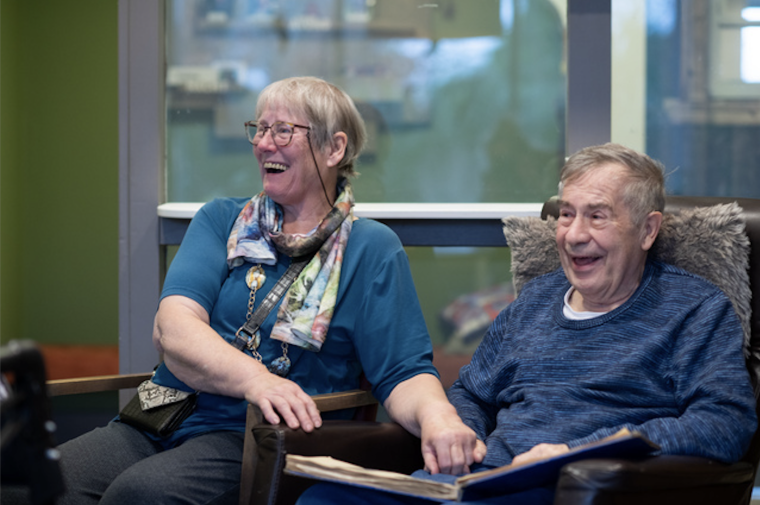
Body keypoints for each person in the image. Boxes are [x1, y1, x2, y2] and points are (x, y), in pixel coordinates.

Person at [6, 77, 479, 505]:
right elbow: (173, 328)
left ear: (334, 148)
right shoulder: (222, 220)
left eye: (283, 131)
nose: (263, 143)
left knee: (141, 495)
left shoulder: (371, 249)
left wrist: (439, 417)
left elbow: (402, 371)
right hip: (162, 412)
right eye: (260, 128)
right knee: (25, 485)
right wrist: (257, 379)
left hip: (254, 435)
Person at [297, 143, 758, 505]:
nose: (574, 234)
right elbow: (473, 392)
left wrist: (580, 452)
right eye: (567, 214)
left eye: (597, 216)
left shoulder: (694, 309)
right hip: (478, 483)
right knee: (322, 499)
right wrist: (464, 436)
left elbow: (725, 422)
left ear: (648, 230)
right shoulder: (536, 300)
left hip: (572, 490)